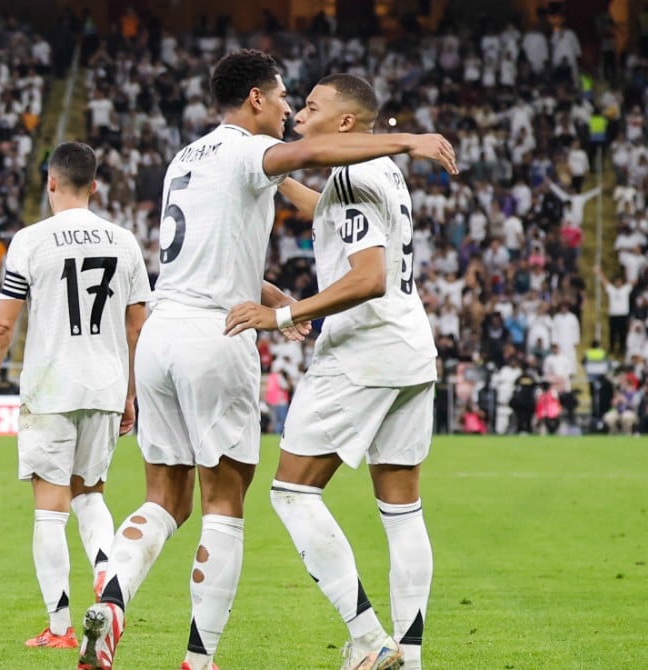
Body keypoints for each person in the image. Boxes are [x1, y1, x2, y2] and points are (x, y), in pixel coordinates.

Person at [77, 51, 456, 670]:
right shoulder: (260, 153)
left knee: (163, 499)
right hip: (226, 337)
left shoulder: (184, 159)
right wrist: (407, 141)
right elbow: (305, 162)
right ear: (256, 99)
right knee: (229, 505)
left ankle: (112, 598)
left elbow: (222, 248)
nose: (292, 109)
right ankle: (204, 660)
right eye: (288, 99)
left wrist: (280, 300)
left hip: (164, 330)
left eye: (305, 105)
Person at [224, 74, 442, 670]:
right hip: (410, 347)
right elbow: (330, 215)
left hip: (362, 352)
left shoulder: (351, 172)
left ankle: (369, 639)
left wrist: (282, 314)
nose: (299, 114)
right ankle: (411, 656)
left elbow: (367, 275)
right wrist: (272, 179)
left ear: (345, 123)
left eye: (313, 107)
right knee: (402, 510)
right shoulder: (381, 172)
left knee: (292, 493)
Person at [0, 142, 150, 650]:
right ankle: (107, 573)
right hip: (107, 384)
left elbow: (3, 324)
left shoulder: (30, 241)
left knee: (50, 509)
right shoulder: (125, 241)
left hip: (50, 385)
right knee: (89, 493)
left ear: (51, 182)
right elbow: (139, 326)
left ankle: (61, 627)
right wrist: (131, 394)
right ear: (94, 185)